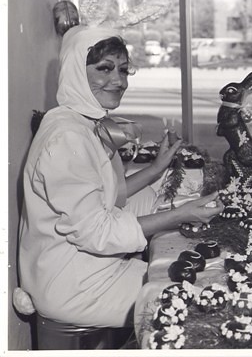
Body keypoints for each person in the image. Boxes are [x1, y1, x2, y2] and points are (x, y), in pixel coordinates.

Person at [18, 25, 223, 329]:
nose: (118, 81)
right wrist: (181, 214)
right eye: (104, 69)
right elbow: (97, 233)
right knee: (196, 303)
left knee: (188, 277)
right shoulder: (66, 136)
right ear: (76, 70)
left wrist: (155, 168)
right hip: (73, 285)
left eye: (124, 70)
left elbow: (106, 196)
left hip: (85, 265)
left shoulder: (75, 118)